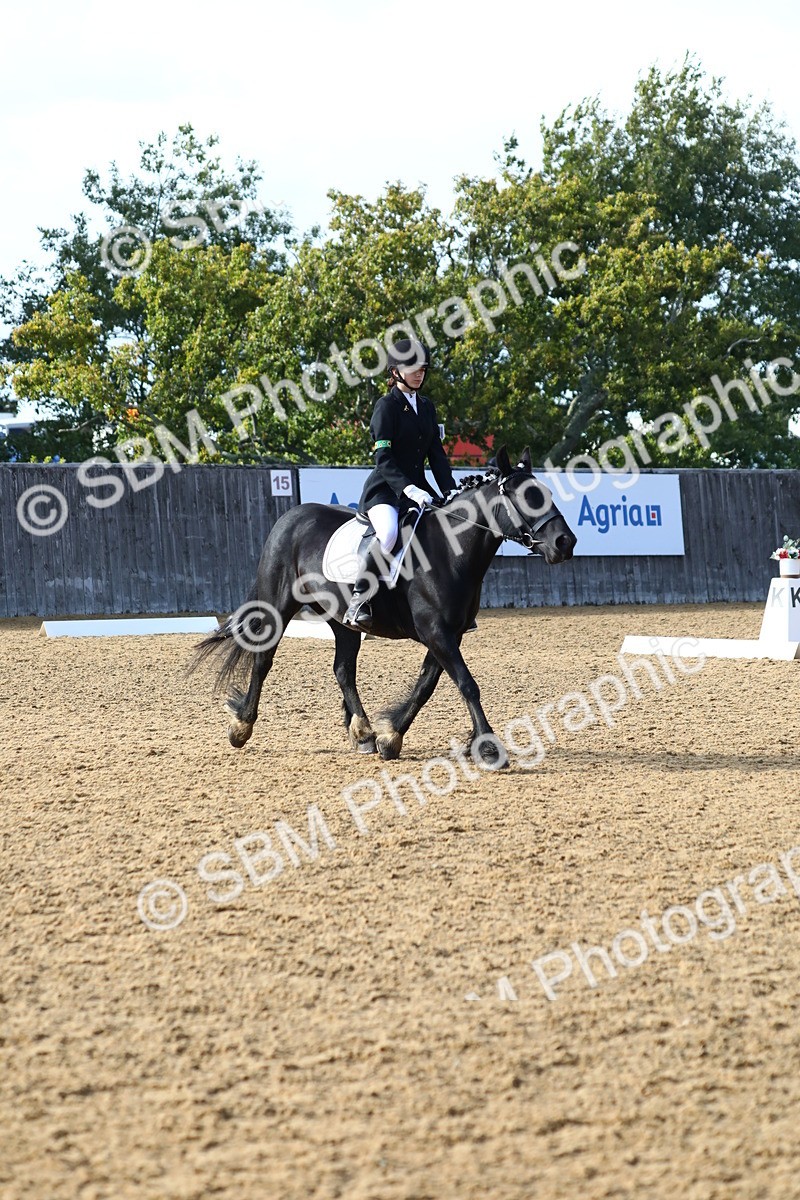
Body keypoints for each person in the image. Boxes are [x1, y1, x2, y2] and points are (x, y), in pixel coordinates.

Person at [344, 338, 456, 629]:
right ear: (395, 371)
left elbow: (437, 456)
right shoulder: (386, 406)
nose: (420, 373)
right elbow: (384, 456)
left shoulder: (427, 408)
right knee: (390, 532)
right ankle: (359, 599)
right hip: (385, 491)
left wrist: (449, 490)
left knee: (444, 529)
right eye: (413, 368)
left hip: (418, 490)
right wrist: (408, 488)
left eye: (423, 369)